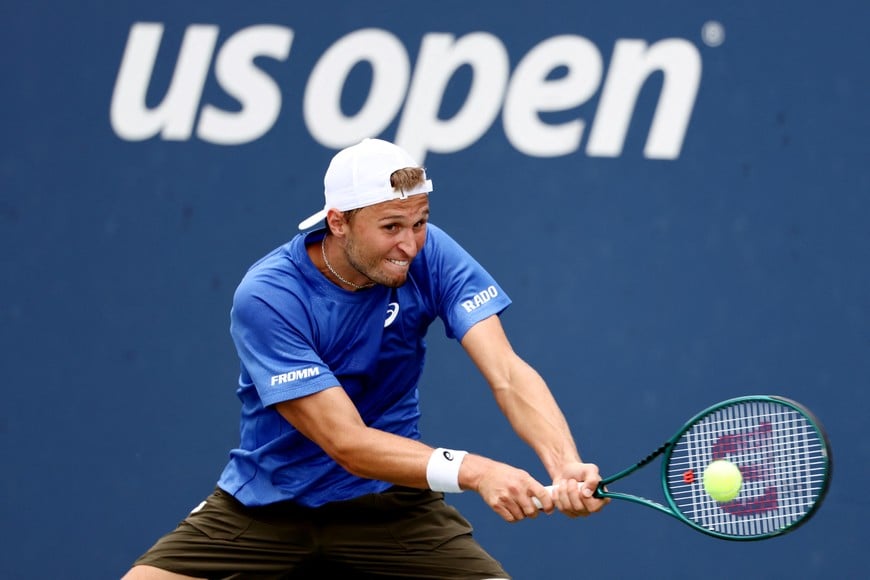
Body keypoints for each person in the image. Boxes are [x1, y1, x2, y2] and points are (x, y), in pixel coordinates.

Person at [123, 138, 609, 579]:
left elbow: (506, 371)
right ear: (338, 221)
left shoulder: (430, 254)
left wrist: (564, 462)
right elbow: (346, 443)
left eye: (419, 223)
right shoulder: (270, 295)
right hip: (266, 507)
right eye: (391, 227)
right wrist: (477, 472)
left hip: (389, 507)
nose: (409, 244)